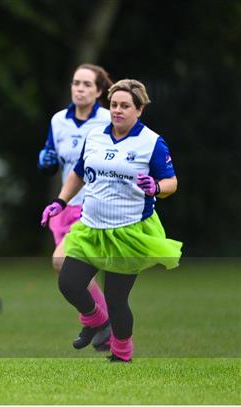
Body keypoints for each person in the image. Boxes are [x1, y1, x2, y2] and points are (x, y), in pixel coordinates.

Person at [41, 79, 182, 362]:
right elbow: (79, 172)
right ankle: (95, 320)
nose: (117, 110)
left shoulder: (151, 142)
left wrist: (156, 187)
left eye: (125, 106)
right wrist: (60, 201)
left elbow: (171, 182)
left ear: (139, 109)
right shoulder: (95, 136)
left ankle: (121, 353)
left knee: (117, 301)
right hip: (91, 227)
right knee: (68, 282)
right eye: (114, 104)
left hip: (127, 231)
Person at [38, 64, 113, 350]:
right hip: (65, 205)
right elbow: (52, 157)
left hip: (94, 206)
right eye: (75, 83)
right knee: (75, 273)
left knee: (62, 262)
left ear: (98, 91)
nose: (79, 88)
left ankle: (98, 320)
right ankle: (105, 326)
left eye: (86, 84)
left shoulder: (108, 119)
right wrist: (45, 161)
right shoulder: (59, 120)